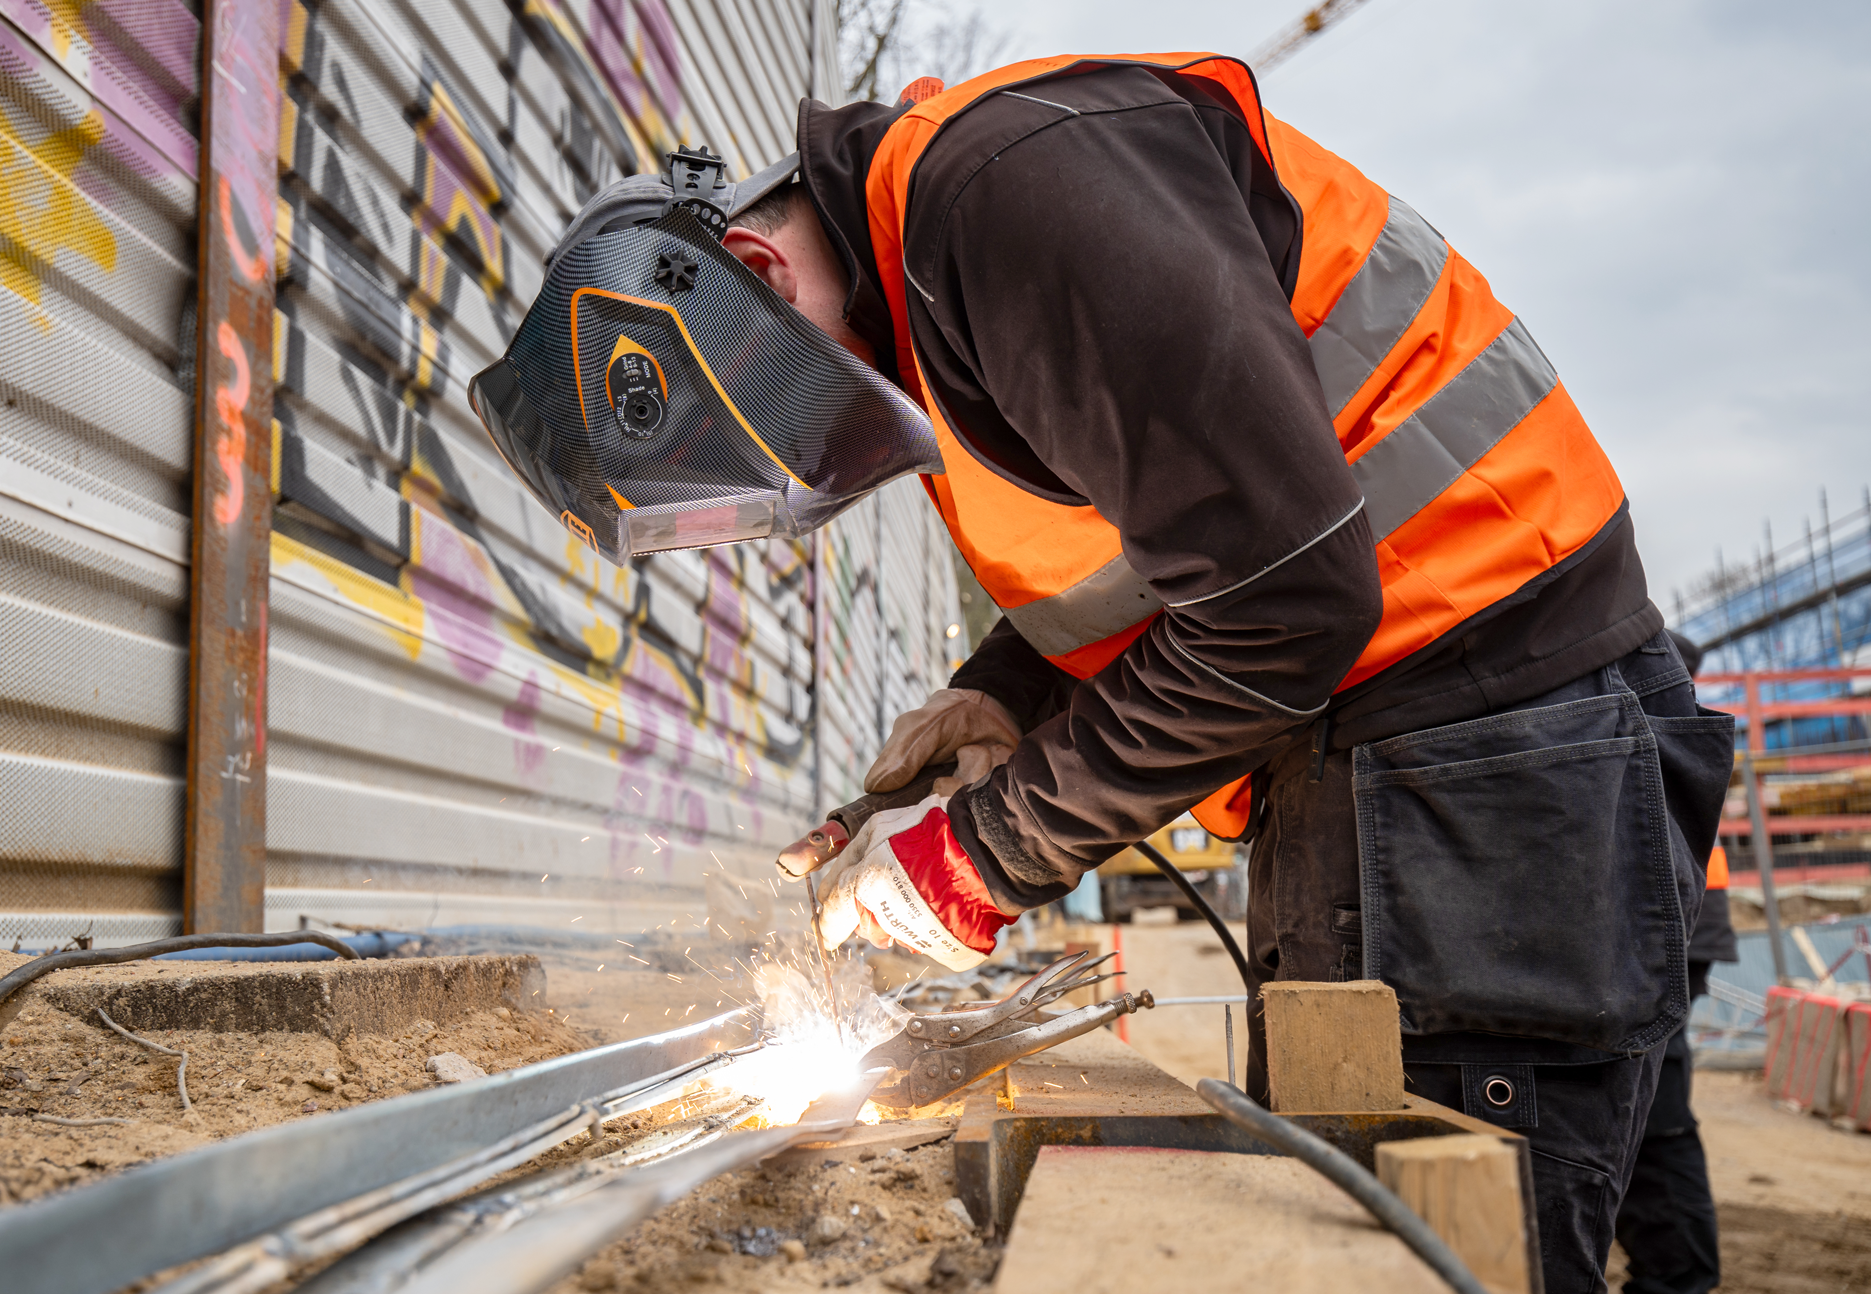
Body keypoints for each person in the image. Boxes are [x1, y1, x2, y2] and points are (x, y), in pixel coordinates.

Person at [468, 56, 1735, 1290]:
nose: (806, 478)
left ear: (753, 271)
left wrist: (968, 864)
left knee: (1434, 1241)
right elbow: (1186, 538)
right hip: (1415, 754)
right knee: (1352, 1217)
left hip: (1482, 766)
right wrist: (1004, 694)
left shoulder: (1008, 197)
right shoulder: (947, 273)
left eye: (777, 445)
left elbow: (1284, 597)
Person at [1612, 632, 1736, 1294]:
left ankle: (1676, 1277)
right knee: (1646, 1095)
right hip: (1674, 905)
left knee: (1651, 1106)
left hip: (1664, 907)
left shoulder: (1639, 647)